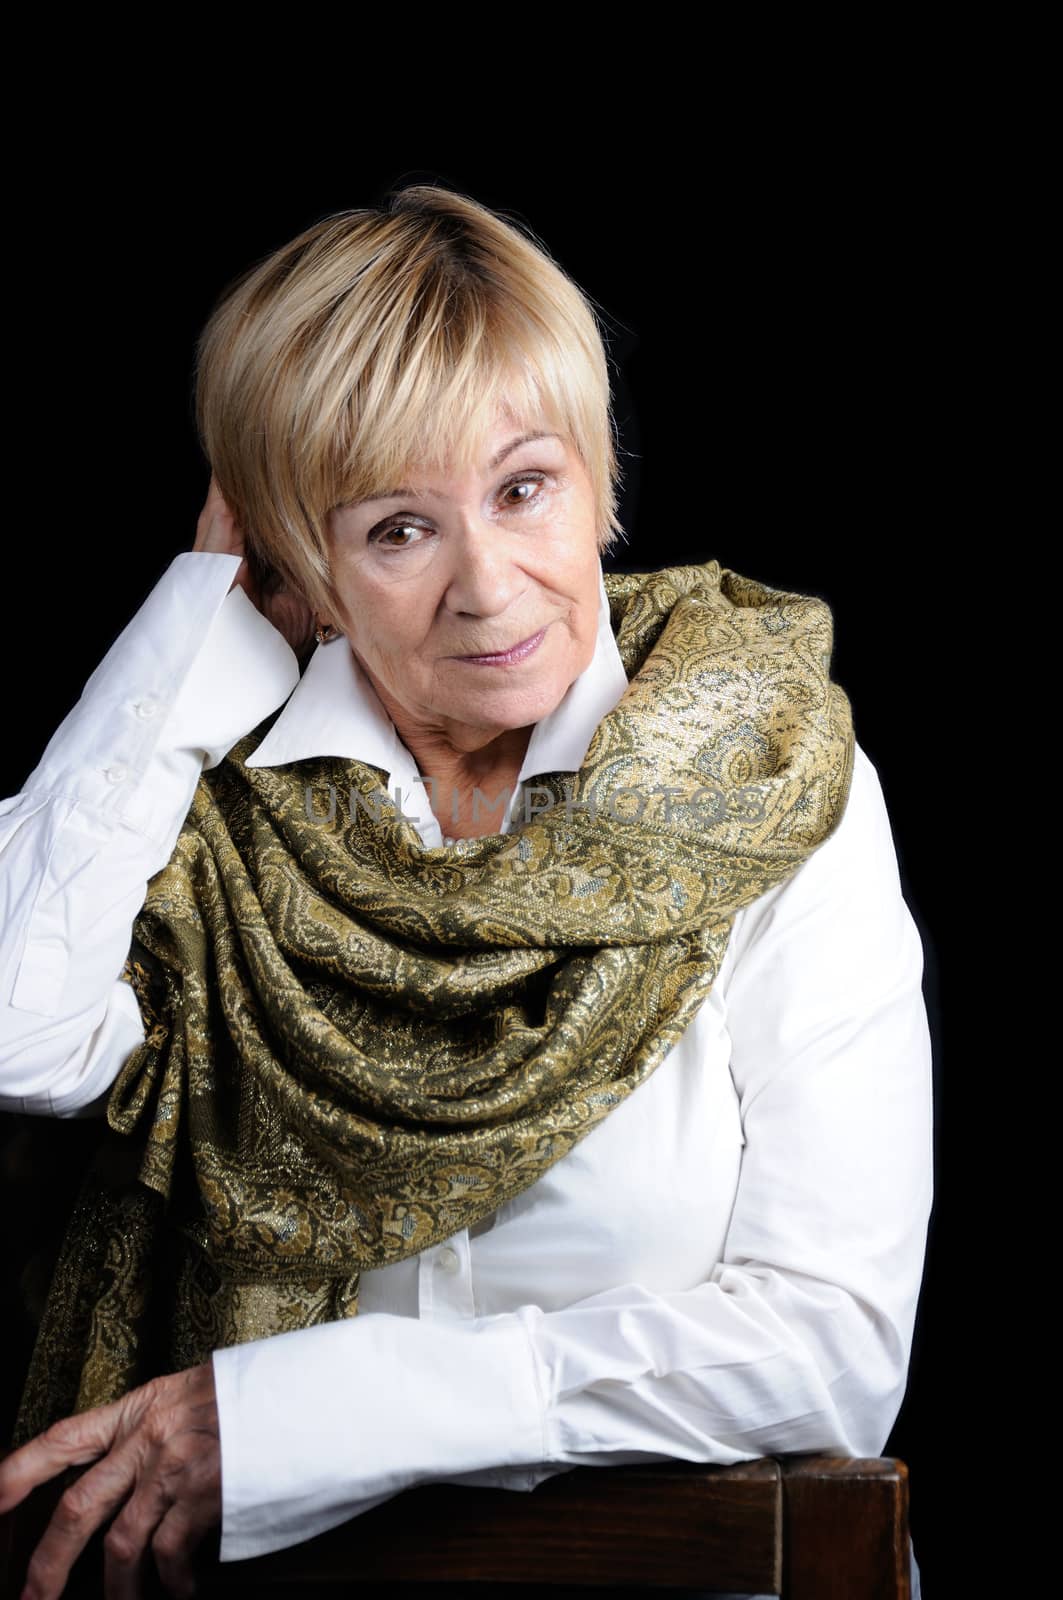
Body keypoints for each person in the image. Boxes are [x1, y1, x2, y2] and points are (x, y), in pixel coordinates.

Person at [0, 185, 930, 1600]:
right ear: (299, 564)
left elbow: (826, 1358)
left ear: (600, 474)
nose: (488, 589)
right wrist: (192, 627)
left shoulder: (764, 777)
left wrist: (291, 1421)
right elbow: (15, 1031)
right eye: (396, 530)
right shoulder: (205, 810)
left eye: (523, 488)